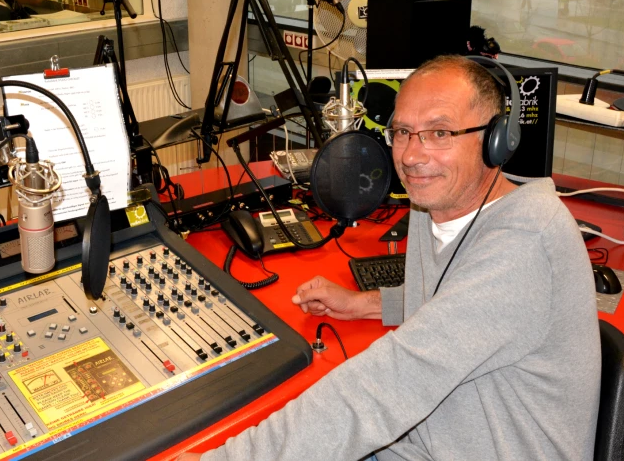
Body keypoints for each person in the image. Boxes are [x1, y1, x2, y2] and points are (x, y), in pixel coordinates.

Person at [178, 55, 601, 460]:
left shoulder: (524, 244)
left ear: (496, 139)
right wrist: (366, 303)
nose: (412, 156)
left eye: (440, 133)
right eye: (402, 132)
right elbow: (449, 304)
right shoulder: (434, 205)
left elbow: (386, 386)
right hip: (422, 444)